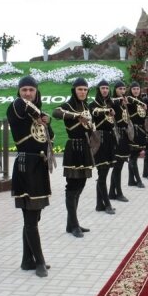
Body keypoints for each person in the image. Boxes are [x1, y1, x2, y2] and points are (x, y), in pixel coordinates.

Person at [6, 76, 53, 278]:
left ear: (36, 92)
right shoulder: (16, 108)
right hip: (26, 166)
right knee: (30, 217)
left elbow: (49, 136)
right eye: (24, 89)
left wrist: (46, 121)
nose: (27, 93)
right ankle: (39, 261)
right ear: (19, 92)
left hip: (40, 167)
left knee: (35, 215)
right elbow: (21, 105)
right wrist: (41, 113)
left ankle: (27, 259)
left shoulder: (38, 117)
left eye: (31, 90)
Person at [52, 77, 94, 237]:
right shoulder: (68, 105)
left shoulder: (86, 106)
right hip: (73, 147)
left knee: (81, 184)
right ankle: (73, 224)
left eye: (85, 89)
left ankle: (72, 223)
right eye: (80, 89)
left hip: (85, 148)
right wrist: (75, 116)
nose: (82, 92)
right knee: (72, 186)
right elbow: (56, 113)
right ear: (74, 90)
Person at [91, 80, 117, 214]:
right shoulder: (93, 104)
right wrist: (108, 110)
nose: (105, 90)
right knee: (102, 172)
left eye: (107, 88)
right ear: (98, 89)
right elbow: (95, 112)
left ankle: (99, 204)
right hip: (99, 139)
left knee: (104, 172)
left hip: (109, 139)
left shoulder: (111, 103)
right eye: (103, 88)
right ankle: (107, 204)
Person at [108, 81, 131, 202]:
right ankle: (118, 192)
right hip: (117, 136)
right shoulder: (113, 101)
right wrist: (119, 100)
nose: (122, 91)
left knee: (119, 166)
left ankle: (112, 192)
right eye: (120, 89)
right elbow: (109, 103)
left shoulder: (123, 103)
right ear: (115, 90)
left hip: (124, 135)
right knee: (117, 166)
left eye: (124, 89)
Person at [126, 82, 147, 189]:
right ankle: (138, 180)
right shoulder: (129, 100)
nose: (136, 91)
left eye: (137, 89)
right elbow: (130, 99)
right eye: (134, 89)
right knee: (133, 157)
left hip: (140, 131)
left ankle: (131, 180)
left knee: (134, 156)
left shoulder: (142, 100)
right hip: (133, 131)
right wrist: (142, 104)